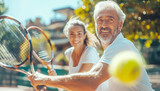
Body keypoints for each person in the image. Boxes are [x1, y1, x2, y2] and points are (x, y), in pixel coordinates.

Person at [28, 0, 155, 91]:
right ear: (95, 25)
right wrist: (50, 84)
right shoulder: (105, 59)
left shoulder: (123, 46)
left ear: (120, 25)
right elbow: (83, 87)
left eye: (110, 19)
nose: (104, 25)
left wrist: (44, 79)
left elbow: (90, 82)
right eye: (100, 20)